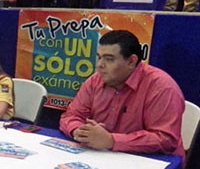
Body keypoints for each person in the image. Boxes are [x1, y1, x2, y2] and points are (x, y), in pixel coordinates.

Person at [59, 30, 185, 159]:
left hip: (152, 160)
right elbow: (71, 116)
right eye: (99, 57)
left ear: (131, 61)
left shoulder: (161, 87)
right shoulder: (95, 81)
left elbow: (165, 139)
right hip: (106, 156)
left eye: (109, 59)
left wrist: (111, 140)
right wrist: (79, 131)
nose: (99, 65)